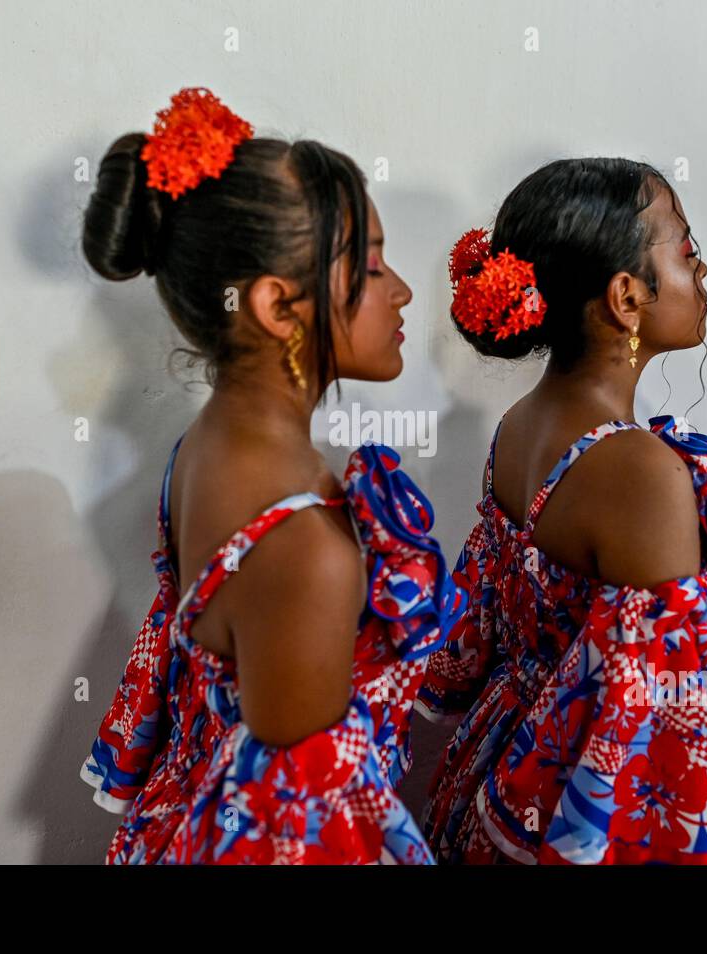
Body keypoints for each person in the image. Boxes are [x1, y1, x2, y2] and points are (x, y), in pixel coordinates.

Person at [79, 88, 464, 864]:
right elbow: (301, 836)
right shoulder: (300, 541)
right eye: (375, 264)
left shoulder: (209, 449)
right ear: (278, 306)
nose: (403, 292)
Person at [418, 157, 707, 864]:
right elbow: (663, 732)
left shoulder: (523, 423)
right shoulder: (636, 470)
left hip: (501, 764)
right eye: (688, 252)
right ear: (626, 296)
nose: (703, 274)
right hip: (582, 803)